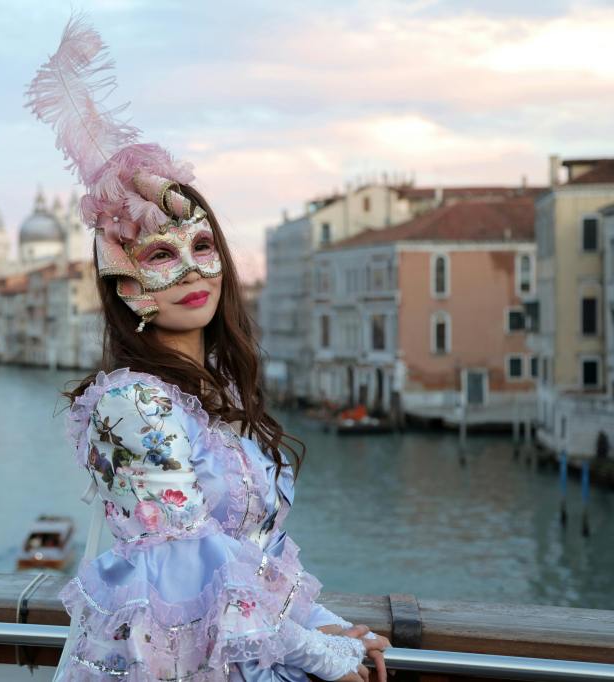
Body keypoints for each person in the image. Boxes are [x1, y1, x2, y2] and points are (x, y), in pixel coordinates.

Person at [27, 15, 391, 681]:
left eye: (202, 245)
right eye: (161, 256)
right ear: (125, 284)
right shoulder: (131, 404)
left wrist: (324, 623)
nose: (193, 271)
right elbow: (191, 566)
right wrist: (328, 656)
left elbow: (254, 556)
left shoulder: (215, 390)